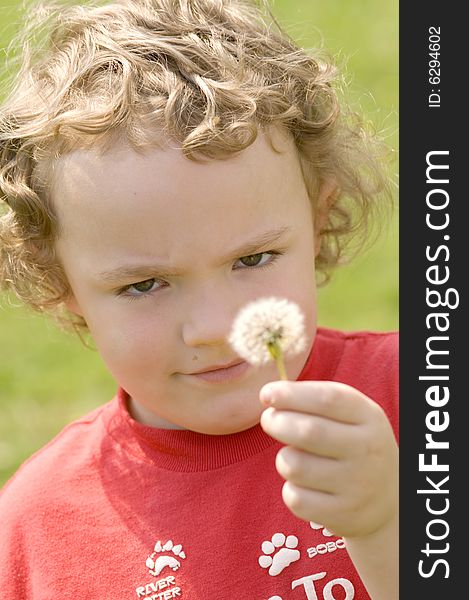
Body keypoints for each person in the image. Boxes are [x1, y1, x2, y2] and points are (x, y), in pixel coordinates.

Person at [0, 1, 398, 598]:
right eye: (143, 284)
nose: (215, 328)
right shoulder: (35, 526)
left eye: (253, 259)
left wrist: (388, 525)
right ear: (63, 286)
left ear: (317, 221)